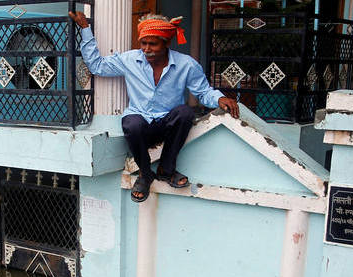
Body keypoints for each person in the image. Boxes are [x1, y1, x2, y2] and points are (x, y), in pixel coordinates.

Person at [68, 11, 239, 202]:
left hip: (168, 125)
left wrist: (219, 99)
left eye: (153, 44)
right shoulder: (130, 60)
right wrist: (85, 28)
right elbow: (97, 65)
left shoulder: (186, 65)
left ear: (166, 43)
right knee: (131, 123)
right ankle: (145, 174)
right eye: (143, 43)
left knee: (185, 112)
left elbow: (203, 92)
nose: (147, 49)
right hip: (141, 126)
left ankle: (166, 169)